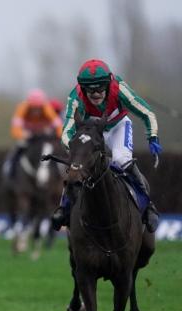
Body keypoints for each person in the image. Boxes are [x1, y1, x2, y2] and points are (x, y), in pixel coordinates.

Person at [51, 59, 161, 232]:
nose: (96, 94)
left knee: (121, 160)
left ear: (108, 83)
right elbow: (67, 132)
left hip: (118, 127)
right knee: (77, 166)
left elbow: (147, 113)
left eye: (100, 88)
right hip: (93, 131)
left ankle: (147, 206)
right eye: (90, 89)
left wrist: (152, 137)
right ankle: (64, 208)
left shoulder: (120, 89)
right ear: (82, 88)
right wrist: (75, 149)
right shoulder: (75, 97)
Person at [5, 88, 63, 179]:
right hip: (27, 135)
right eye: (33, 108)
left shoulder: (47, 108)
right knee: (17, 149)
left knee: (54, 149)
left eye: (38, 108)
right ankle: (9, 170)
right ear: (29, 105)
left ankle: (61, 171)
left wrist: (58, 136)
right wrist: (24, 134)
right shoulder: (21, 108)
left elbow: (59, 125)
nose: (36, 111)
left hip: (43, 135)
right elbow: (15, 129)